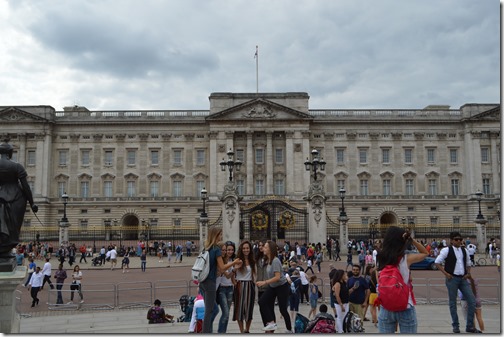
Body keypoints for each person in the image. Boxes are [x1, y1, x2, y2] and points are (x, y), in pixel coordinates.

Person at [376, 226, 428, 333]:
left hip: (386, 306)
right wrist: (412, 240)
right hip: (405, 306)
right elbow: (425, 253)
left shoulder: (380, 258)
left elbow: (379, 280)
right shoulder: (406, 258)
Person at [0, 139, 38, 261]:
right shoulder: (16, 166)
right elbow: (25, 186)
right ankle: (7, 247)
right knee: (13, 227)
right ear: (11, 153)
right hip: (15, 198)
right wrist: (32, 203)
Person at [434, 231, 480, 333]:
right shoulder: (446, 250)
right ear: (451, 241)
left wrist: (468, 273)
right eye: (456, 239)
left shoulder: (465, 251)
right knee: (453, 303)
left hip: (463, 278)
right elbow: (437, 262)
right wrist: (446, 274)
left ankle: (469, 326)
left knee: (472, 301)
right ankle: (455, 325)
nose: (459, 241)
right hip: (452, 279)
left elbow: (468, 263)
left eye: (460, 239)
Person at [199, 227, 242, 333]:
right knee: (209, 311)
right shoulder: (216, 249)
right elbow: (222, 268)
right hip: (210, 282)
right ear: (216, 235)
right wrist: (234, 262)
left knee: (212, 310)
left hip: (202, 282)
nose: (222, 236)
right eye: (220, 234)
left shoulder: (207, 248)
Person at [256, 240, 293, 333]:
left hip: (282, 286)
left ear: (270, 249)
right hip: (273, 286)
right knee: (262, 301)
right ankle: (271, 322)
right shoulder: (268, 260)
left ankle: (289, 329)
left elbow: (277, 277)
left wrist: (264, 282)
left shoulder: (275, 260)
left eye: (265, 247)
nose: (263, 248)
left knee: (283, 309)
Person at [232, 240, 256, 333]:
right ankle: (241, 330)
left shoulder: (252, 260)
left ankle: (247, 330)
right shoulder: (237, 260)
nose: (246, 250)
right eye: (244, 248)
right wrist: (234, 283)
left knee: (249, 308)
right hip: (240, 285)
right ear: (241, 249)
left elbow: (254, 274)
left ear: (250, 249)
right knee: (239, 309)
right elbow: (232, 273)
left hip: (250, 285)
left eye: (247, 248)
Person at [216, 241, 235, 333]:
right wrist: (234, 268)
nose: (230, 252)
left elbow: (231, 278)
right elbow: (227, 275)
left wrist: (235, 271)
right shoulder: (222, 261)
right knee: (226, 313)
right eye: (228, 250)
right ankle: (221, 332)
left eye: (232, 250)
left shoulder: (232, 261)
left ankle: (223, 332)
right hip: (222, 289)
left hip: (230, 288)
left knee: (226, 314)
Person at [332, 269, 349, 333]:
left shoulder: (344, 282)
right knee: (340, 317)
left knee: (344, 317)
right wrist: (341, 305)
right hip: (340, 303)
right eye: (344, 274)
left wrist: (353, 288)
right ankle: (340, 331)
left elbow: (346, 292)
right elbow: (337, 295)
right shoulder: (338, 284)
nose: (346, 275)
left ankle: (343, 329)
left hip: (346, 302)